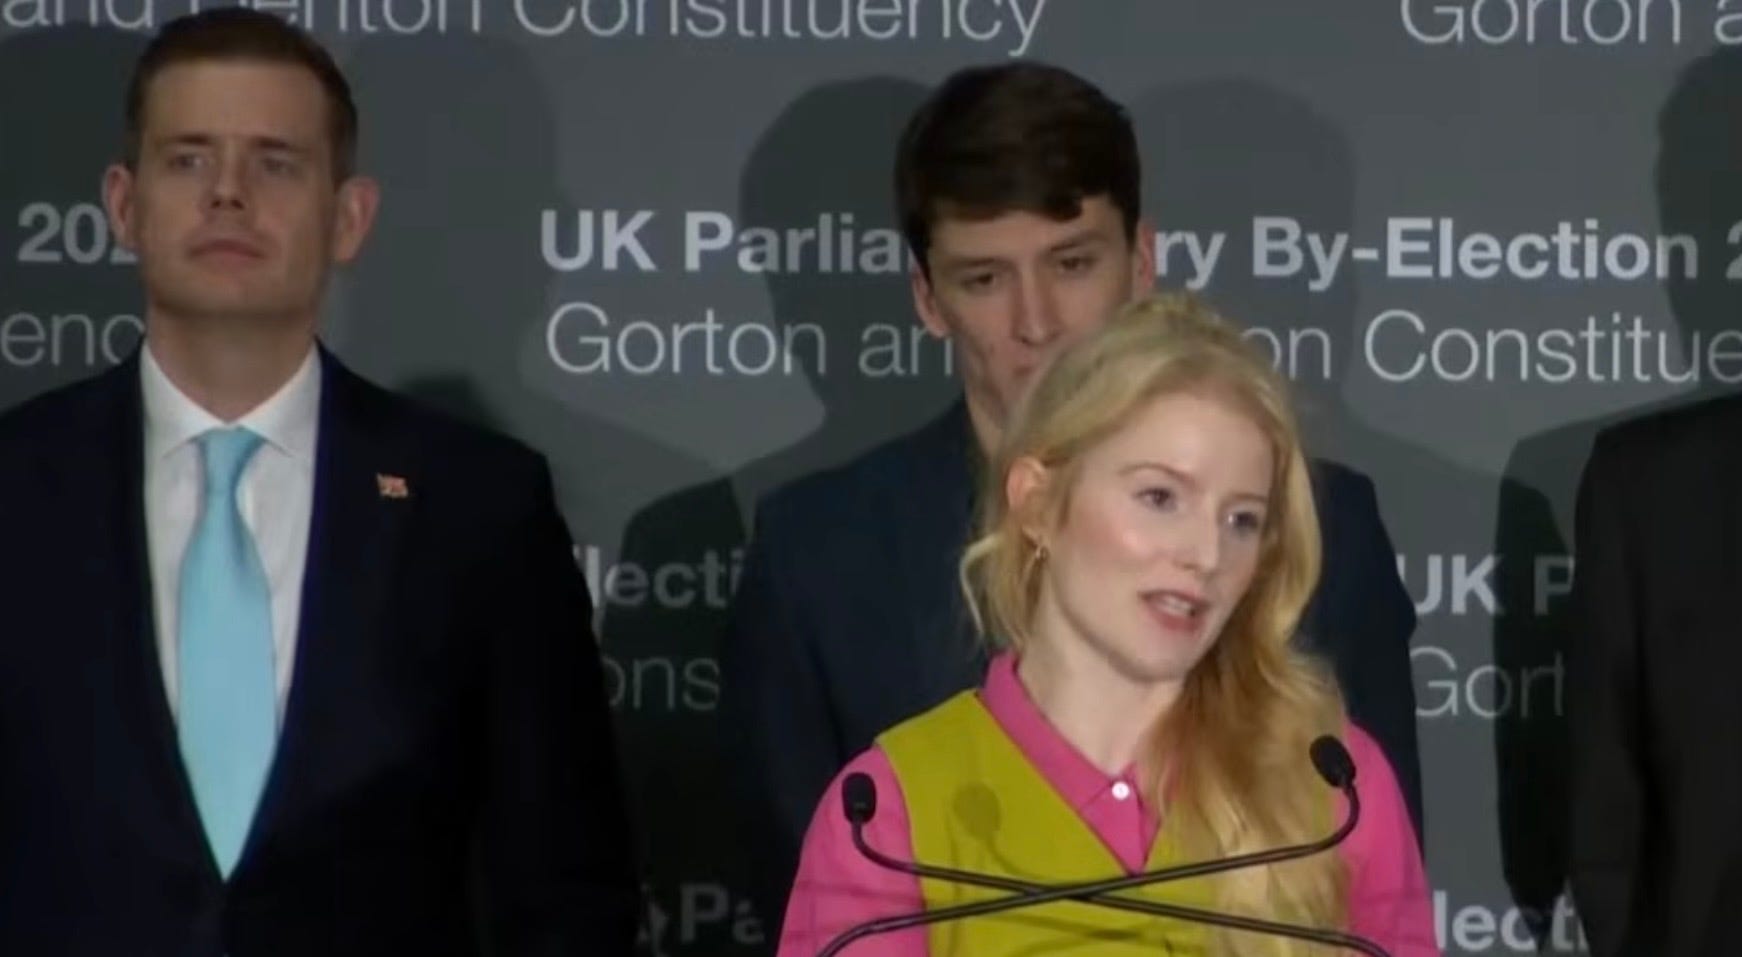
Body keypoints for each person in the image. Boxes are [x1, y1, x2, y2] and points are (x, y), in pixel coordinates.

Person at [722, 60, 1422, 932]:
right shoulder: (816, 556)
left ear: (1142, 261)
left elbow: (1372, 885)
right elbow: (812, 905)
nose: (1037, 321)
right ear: (928, 298)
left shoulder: (1324, 528)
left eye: (1073, 262)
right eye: (985, 279)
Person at [0, 10, 637, 955]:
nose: (227, 193)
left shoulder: (481, 509)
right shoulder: (15, 487)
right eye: (188, 158)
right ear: (123, 205)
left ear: (349, 218)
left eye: (276, 163)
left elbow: (564, 890)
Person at [774, 292, 1437, 957]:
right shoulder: (887, 812)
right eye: (1160, 497)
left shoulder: (1332, 790)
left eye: (1242, 520)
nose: (1206, 554)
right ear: (1037, 504)